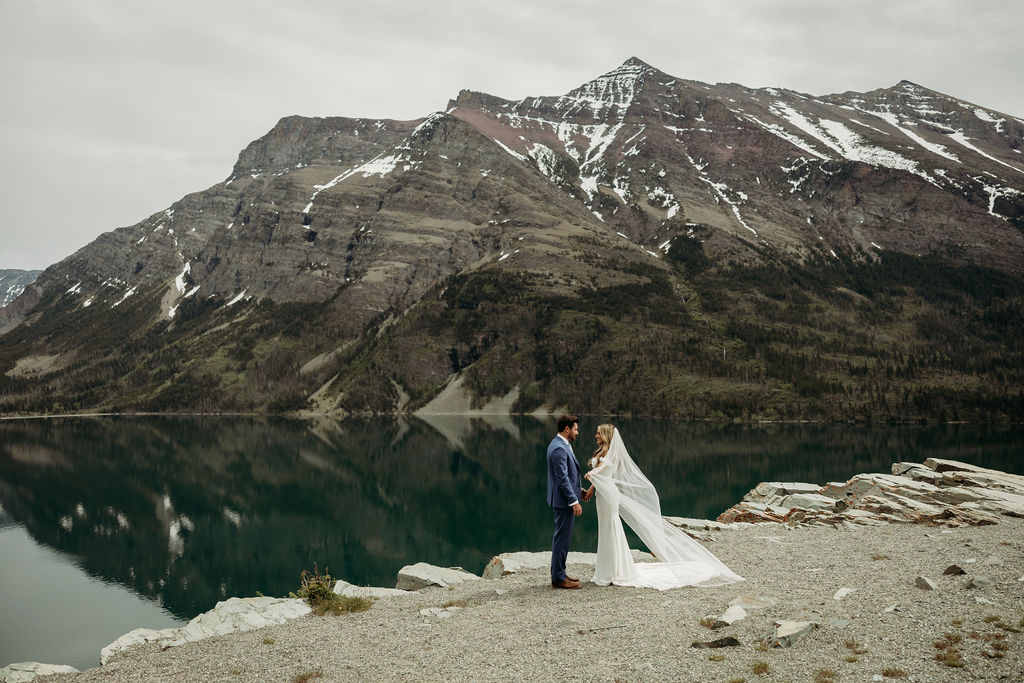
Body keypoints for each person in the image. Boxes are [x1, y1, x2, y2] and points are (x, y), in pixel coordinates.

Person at [583, 424, 743, 590]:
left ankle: (616, 570)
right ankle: (606, 569)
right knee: (605, 529)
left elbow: (602, 472)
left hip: (609, 496)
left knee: (612, 528)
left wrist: (592, 474)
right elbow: (599, 474)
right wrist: (589, 490)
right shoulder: (602, 452)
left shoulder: (613, 454)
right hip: (601, 495)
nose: (595, 436)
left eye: (598, 433)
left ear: (606, 435)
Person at [546, 413, 592, 589]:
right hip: (563, 501)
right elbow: (562, 478)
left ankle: (561, 572)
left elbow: (567, 477)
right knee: (561, 539)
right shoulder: (558, 448)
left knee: (563, 538)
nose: (577, 433)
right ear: (567, 429)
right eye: (575, 429)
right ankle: (558, 578)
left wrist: (577, 489)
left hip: (563, 498)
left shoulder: (560, 444)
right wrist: (573, 501)